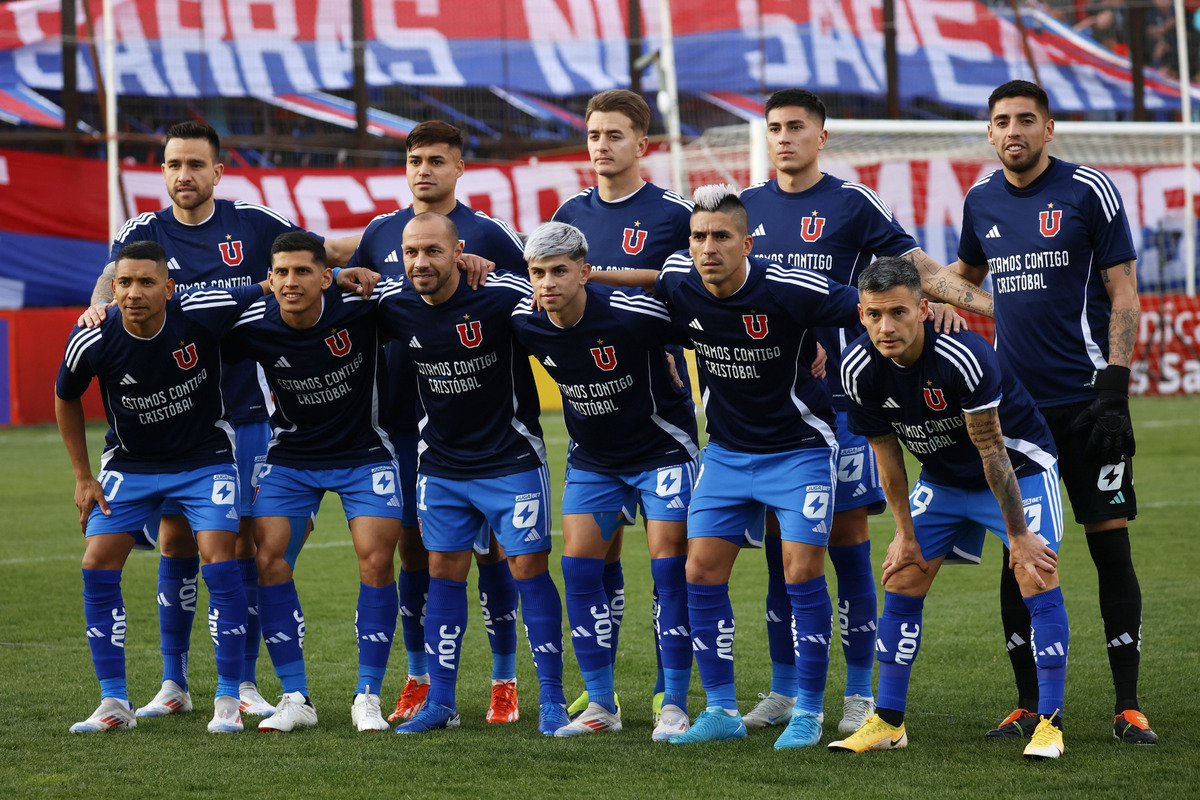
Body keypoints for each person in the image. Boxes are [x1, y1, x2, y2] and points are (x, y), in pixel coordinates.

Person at [738, 88, 996, 734]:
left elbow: (911, 268)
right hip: (773, 410)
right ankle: (783, 688)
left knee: (849, 543)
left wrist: (972, 303)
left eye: (797, 127)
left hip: (843, 403)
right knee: (781, 549)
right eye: (774, 128)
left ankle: (857, 694)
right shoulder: (746, 210)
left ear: (821, 137)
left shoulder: (851, 204)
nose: (785, 137)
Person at [83, 121, 358, 720]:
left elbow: (316, 257)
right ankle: (174, 684)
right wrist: (98, 300)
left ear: (218, 171)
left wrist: (357, 264)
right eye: (174, 164)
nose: (185, 176)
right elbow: (113, 276)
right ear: (163, 171)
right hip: (178, 425)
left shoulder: (254, 223)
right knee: (177, 542)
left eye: (196, 165)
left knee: (245, 546)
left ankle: (247, 682)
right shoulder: (143, 232)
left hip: (246, 412)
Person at [951, 80, 1156, 745]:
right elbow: (966, 278)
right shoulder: (980, 200)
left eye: (1026, 120)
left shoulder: (1087, 191)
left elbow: (1123, 290)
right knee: (1025, 552)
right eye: (1001, 121)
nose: (1013, 130)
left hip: (1090, 407)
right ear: (989, 132)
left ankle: (1128, 705)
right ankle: (1027, 704)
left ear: (1049, 128)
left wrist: (1115, 390)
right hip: (1017, 416)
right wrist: (919, 290)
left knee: (1109, 546)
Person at [634, 184, 861, 748]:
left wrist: (945, 310)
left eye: (720, 237)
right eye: (698, 237)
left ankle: (808, 711)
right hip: (727, 455)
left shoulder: (791, 286)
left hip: (800, 451)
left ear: (747, 242)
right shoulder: (678, 280)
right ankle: (722, 711)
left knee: (802, 573)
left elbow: (868, 305)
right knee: (699, 573)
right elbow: (645, 286)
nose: (707, 248)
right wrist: (585, 279)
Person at [830, 256, 1068, 761]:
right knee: (902, 573)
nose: (885, 326)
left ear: (923, 308)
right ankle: (890, 722)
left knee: (1035, 572)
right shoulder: (856, 368)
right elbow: (887, 459)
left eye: (897, 312)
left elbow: (993, 452)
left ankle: (1049, 724)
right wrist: (903, 533)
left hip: (1016, 469)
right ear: (860, 314)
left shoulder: (962, 356)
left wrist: (1021, 535)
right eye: (874, 315)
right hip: (941, 478)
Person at [345, 120, 524, 725]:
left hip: (484, 423)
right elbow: (360, 296)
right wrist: (351, 275)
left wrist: (493, 274)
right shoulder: (378, 233)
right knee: (416, 552)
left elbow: (535, 300)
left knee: (493, 552)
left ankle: (505, 679)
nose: (425, 170)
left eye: (438, 161)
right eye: (415, 159)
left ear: (460, 169)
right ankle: (419, 678)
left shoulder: (488, 234)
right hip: (399, 418)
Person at [56, 240, 267, 734]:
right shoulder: (92, 334)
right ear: (113, 288)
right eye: (124, 283)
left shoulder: (199, 314)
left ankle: (227, 698)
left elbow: (267, 285)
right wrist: (84, 477)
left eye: (147, 282)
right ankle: (113, 702)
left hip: (204, 460)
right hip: (130, 465)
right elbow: (65, 398)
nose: (134, 293)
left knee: (221, 554)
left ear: (169, 289)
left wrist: (340, 275)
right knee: (96, 562)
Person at [373, 213, 567, 736]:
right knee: (443, 575)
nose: (421, 262)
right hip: (439, 464)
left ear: (457, 250)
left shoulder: (501, 293)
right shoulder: (392, 304)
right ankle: (442, 702)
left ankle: (551, 700)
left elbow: (563, 299)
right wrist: (350, 276)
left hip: (511, 460)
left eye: (433, 251)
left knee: (529, 572)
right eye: (411, 252)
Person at [510, 221, 698, 740]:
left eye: (559, 271)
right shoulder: (527, 324)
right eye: (538, 272)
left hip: (662, 451)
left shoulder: (632, 315)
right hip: (594, 460)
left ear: (584, 272)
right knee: (578, 570)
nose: (547, 283)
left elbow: (703, 317)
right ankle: (600, 706)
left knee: (669, 570)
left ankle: (675, 705)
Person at [222, 232, 403, 732]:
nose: (290, 282)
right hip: (292, 456)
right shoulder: (253, 323)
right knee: (268, 559)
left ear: (327, 277)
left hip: (365, 452)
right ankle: (295, 696)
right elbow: (189, 316)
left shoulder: (361, 309)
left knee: (377, 558)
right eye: (281, 272)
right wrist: (102, 311)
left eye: (303, 271)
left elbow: (425, 292)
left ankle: (367, 695)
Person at [552, 89, 694, 718]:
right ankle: (602, 695)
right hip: (592, 423)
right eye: (593, 135)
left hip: (659, 416)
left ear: (644, 145)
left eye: (614, 135)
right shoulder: (570, 214)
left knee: (670, 565)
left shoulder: (673, 213)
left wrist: (597, 279)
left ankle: (672, 691)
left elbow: (697, 290)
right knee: (588, 561)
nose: (601, 146)